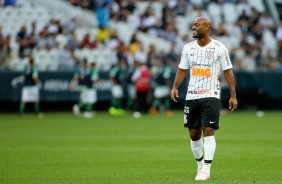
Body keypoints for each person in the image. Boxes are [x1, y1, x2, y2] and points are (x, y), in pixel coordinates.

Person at [170, 17, 238, 181]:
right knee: (194, 133)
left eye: (197, 25)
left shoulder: (219, 48)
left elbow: (228, 72)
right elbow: (182, 69)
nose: (193, 27)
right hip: (192, 95)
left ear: (207, 28)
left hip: (211, 95)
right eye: (193, 24)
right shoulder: (188, 48)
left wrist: (233, 95)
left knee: (208, 130)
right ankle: (200, 165)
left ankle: (206, 169)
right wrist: (175, 87)